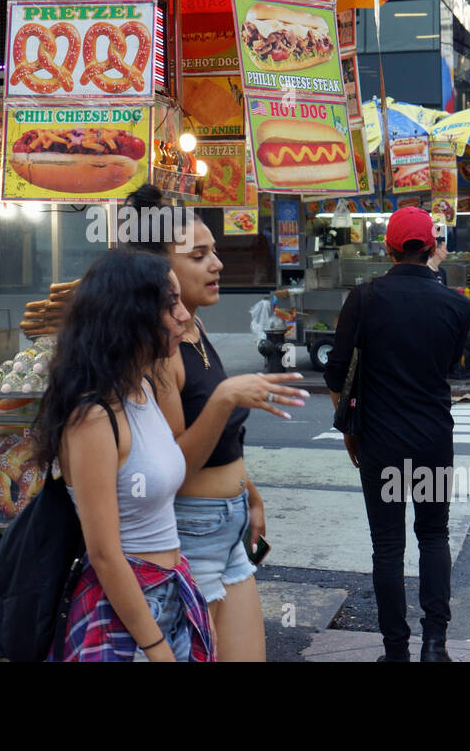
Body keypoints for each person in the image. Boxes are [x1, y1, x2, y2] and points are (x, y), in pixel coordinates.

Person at [124, 186, 307, 661]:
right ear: (161, 269)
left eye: (215, 252)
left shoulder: (197, 325)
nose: (217, 264)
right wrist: (224, 398)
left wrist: (252, 496)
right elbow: (171, 467)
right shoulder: (160, 351)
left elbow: (226, 444)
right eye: (199, 255)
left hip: (231, 525)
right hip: (190, 531)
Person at [41, 249, 214, 661]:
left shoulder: (144, 390)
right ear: (130, 316)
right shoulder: (93, 417)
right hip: (127, 612)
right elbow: (104, 552)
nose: (183, 316)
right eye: (169, 305)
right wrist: (155, 648)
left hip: (171, 593)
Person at [324, 207, 470, 662]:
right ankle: (435, 643)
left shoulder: (365, 298)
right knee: (433, 536)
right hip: (433, 440)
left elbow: (335, 372)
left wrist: (351, 429)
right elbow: (452, 367)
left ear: (388, 249)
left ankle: (395, 649)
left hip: (380, 441)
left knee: (387, 546)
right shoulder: (457, 305)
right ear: (431, 248)